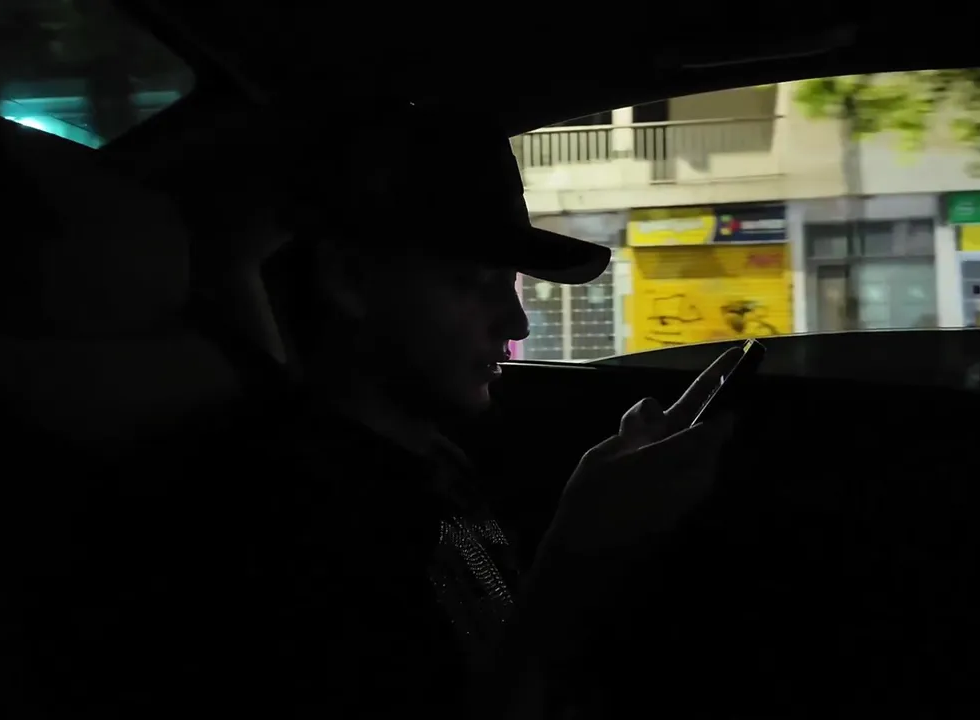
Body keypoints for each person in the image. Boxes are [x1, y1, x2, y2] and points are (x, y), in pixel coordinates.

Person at [235, 105, 742, 717]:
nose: (516, 323)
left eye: (511, 284)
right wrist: (575, 557)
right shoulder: (285, 516)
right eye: (474, 283)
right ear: (350, 279)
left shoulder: (431, 459)